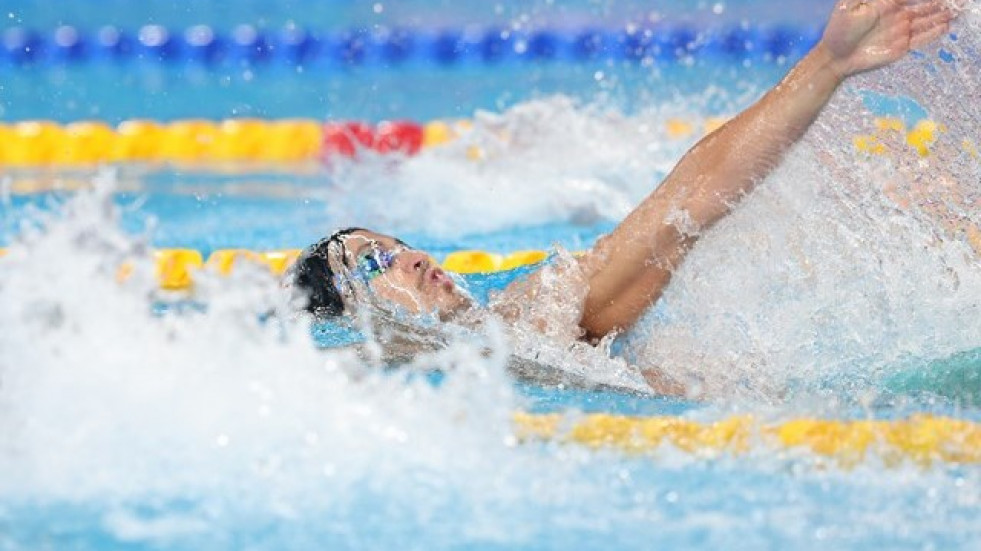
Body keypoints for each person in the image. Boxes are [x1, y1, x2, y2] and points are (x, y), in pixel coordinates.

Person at [292, 0, 957, 393]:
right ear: (348, 313)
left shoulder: (529, 315)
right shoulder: (358, 374)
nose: (407, 258)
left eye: (396, 245)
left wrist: (826, 65)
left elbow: (679, 209)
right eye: (374, 264)